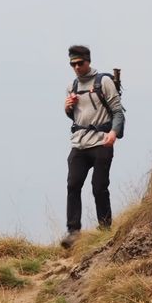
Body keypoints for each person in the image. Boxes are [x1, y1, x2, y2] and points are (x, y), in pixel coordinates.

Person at [61, 44, 124, 249]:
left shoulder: (104, 82)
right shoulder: (72, 86)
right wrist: (67, 108)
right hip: (79, 143)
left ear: (88, 61)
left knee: (99, 187)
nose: (77, 67)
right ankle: (73, 232)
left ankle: (105, 230)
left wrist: (113, 134)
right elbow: (76, 116)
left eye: (80, 63)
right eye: (73, 64)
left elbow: (117, 112)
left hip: (101, 141)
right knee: (73, 185)